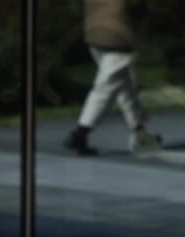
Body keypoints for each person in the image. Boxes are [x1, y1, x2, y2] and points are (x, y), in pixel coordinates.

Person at [63, 0, 162, 156]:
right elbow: (134, 5)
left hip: (95, 30)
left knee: (123, 84)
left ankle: (140, 133)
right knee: (106, 88)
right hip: (119, 34)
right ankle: (80, 134)